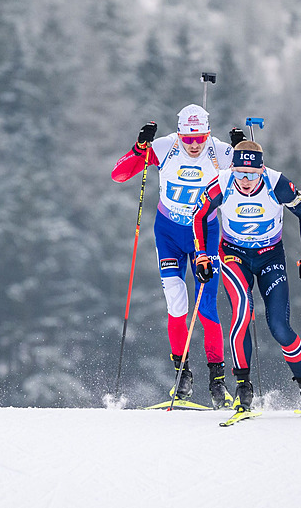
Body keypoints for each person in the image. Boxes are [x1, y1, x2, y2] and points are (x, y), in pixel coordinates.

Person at [192, 139, 301, 413]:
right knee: (242, 313)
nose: (245, 181)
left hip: (270, 256)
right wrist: (201, 255)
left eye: (252, 175)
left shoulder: (276, 184)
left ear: (262, 171)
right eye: (240, 174)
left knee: (280, 327)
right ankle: (243, 386)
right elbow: (199, 215)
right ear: (232, 169)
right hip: (234, 257)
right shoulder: (221, 184)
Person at [111, 105, 236, 409]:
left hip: (205, 235)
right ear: (179, 133)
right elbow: (119, 174)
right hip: (169, 234)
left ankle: (217, 383)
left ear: (208, 133)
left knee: (206, 309)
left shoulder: (220, 151)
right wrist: (139, 148)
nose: (194, 145)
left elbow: (254, 177)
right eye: (188, 138)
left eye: (200, 138)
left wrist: (243, 149)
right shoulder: (165, 147)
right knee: (176, 304)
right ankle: (182, 379)